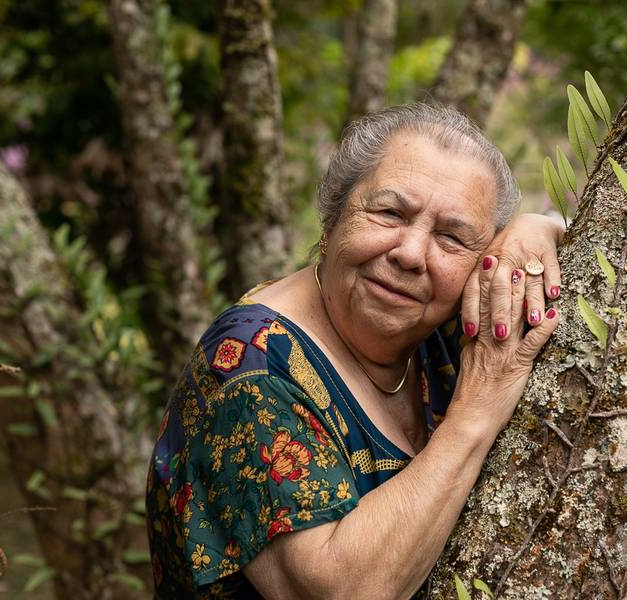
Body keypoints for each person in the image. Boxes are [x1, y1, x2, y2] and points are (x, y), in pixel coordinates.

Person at [146, 103, 565, 599]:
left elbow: (573, 238)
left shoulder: (439, 324)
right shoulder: (249, 365)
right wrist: (477, 411)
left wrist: (536, 229)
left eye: (451, 237)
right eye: (390, 213)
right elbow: (342, 591)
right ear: (332, 221)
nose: (410, 254)